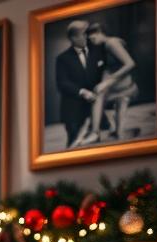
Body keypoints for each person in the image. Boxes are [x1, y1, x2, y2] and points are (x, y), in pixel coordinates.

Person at [77, 22, 138, 144]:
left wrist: (108, 81)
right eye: (89, 37)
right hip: (116, 86)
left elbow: (130, 64)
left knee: (98, 92)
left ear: (100, 33)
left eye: (93, 36)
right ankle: (103, 129)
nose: (91, 39)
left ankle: (95, 132)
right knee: (95, 93)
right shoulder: (102, 46)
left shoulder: (111, 43)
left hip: (126, 86)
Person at [54, 19, 106, 148]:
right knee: (75, 147)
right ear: (73, 38)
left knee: (97, 148)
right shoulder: (62, 59)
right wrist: (82, 92)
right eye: (84, 34)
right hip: (74, 111)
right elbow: (62, 83)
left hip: (95, 108)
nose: (88, 36)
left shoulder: (98, 50)